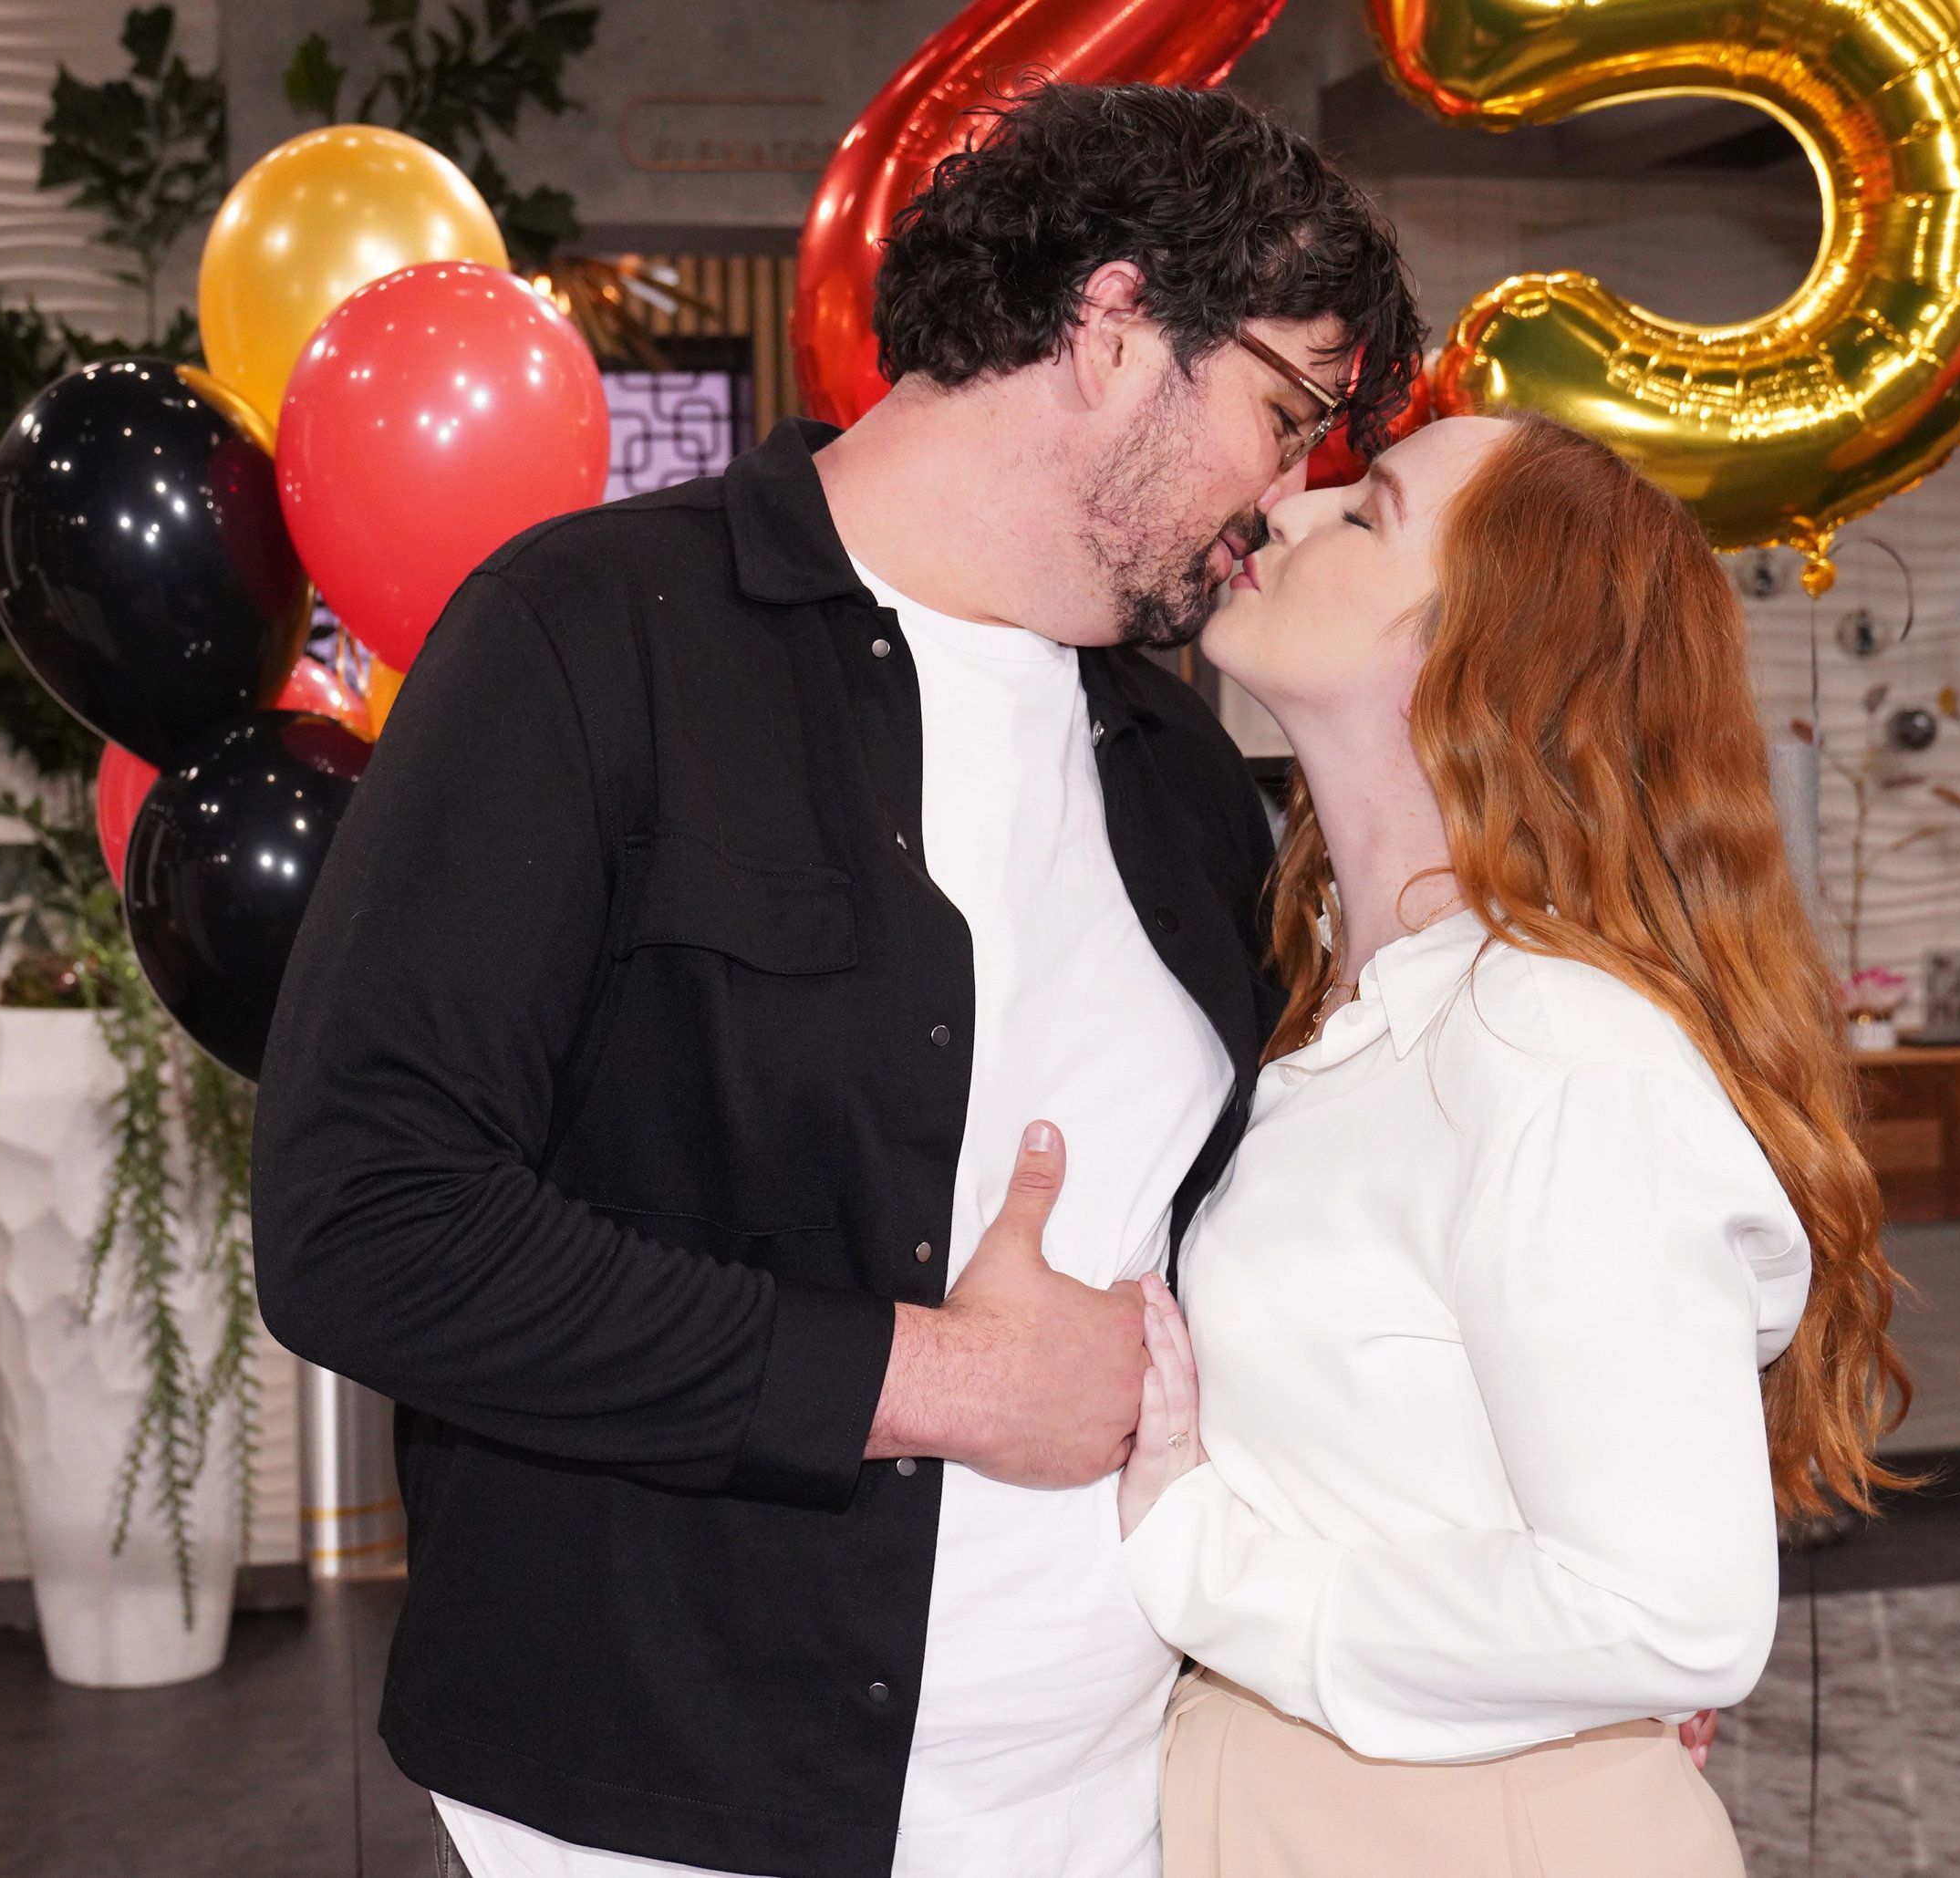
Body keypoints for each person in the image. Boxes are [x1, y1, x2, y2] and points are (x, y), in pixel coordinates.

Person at [249, 82, 1423, 1878]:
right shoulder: (589, 638)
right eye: (1285, 413)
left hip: (1112, 1802)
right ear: (1114, 330)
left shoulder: (1177, 770)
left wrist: (1533, 1624)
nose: (1291, 490)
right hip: (650, 1816)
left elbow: (1279, 1265)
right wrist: (939, 1378)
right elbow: (367, 1225)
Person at [1066, 411, 1913, 1874]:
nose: (1291, 505)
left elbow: (1670, 1614)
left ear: (1492, 653)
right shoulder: (1355, 1000)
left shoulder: (1555, 1050)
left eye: (1369, 509)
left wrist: (1202, 1556)